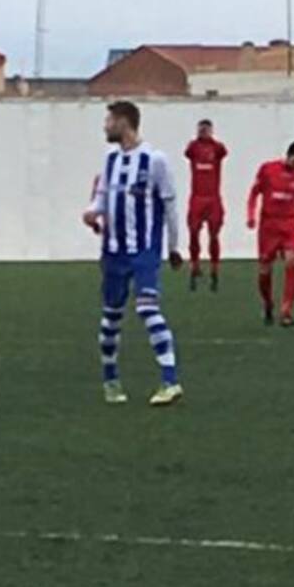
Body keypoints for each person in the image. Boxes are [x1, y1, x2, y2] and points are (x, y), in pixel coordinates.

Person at [81, 100, 185, 407]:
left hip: (143, 250)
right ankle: (111, 381)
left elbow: (169, 205)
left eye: (109, 120)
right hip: (113, 253)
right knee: (111, 316)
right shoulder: (110, 160)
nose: (105, 126)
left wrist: (174, 247)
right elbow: (101, 201)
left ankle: (170, 380)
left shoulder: (155, 160)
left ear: (124, 122)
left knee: (147, 308)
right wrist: (90, 214)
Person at [247, 141, 294, 327]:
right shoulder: (268, 169)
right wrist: (251, 215)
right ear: (289, 155)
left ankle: (286, 311)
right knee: (265, 270)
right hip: (269, 225)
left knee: (292, 262)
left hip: (290, 224)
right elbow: (254, 193)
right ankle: (268, 303)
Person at [184, 119, 228, 291]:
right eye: (201, 129)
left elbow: (223, 152)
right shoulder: (193, 147)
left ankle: (214, 267)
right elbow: (188, 152)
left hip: (213, 198)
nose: (203, 132)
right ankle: (195, 264)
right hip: (197, 197)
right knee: (193, 233)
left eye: (206, 129)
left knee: (214, 235)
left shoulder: (217, 148)